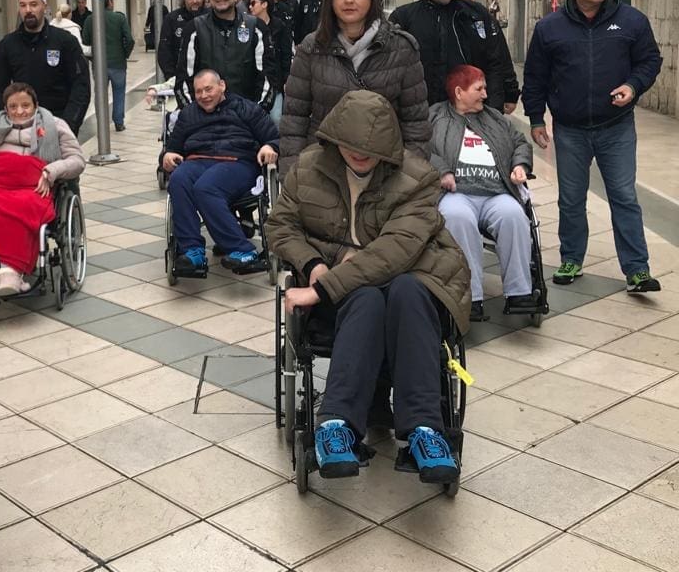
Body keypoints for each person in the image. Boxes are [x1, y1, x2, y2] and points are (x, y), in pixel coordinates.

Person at [266, 91, 469, 484]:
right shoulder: (308, 168)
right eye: (352, 144)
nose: (360, 153)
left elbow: (396, 250)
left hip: (413, 276)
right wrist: (314, 264)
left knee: (406, 291)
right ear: (335, 136)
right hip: (349, 293)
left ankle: (425, 430)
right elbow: (280, 225)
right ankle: (336, 425)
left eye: (371, 147)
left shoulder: (418, 178)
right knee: (366, 298)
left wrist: (322, 288)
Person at [523, 0, 663, 293]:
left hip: (617, 127)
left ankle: (637, 270)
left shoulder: (631, 20)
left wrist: (633, 86)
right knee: (571, 199)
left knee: (624, 197)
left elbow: (649, 60)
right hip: (570, 130)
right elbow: (535, 76)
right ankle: (572, 259)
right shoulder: (549, 28)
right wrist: (536, 118)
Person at [279, 0, 430, 175]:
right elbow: (294, 118)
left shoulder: (401, 48)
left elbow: (415, 122)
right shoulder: (312, 48)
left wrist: (410, 176)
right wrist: (293, 174)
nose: (349, 0)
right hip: (323, 167)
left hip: (385, 168)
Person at [430, 65, 539, 321]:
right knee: (457, 218)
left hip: (497, 193)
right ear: (459, 92)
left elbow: (520, 143)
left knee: (514, 215)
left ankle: (519, 292)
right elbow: (419, 147)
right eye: (479, 89)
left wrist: (520, 165)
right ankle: (471, 297)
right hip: (456, 193)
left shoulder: (495, 118)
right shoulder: (434, 116)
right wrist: (442, 170)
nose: (485, 95)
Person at [0, 83, 85, 296]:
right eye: (13, 106)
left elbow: (77, 160)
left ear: (35, 105)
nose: (19, 111)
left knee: (24, 207)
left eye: (25, 105)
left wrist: (52, 170)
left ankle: (10, 270)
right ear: (5, 108)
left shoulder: (55, 125)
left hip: (32, 183)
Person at [163, 69, 279, 276]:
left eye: (208, 89)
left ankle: (243, 250)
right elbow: (172, 147)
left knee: (205, 187)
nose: (203, 96)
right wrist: (167, 155)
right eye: (198, 91)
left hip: (237, 162)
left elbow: (274, 138)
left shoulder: (245, 108)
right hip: (197, 160)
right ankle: (192, 251)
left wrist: (269, 146)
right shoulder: (188, 114)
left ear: (222, 86)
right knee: (178, 179)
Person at [390, 0, 519, 115]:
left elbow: (496, 58)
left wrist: (499, 103)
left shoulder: (476, 14)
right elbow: (392, 69)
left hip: (475, 110)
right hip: (424, 112)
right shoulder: (404, 17)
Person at [0, 0, 92, 135]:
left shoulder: (65, 42)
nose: (28, 10)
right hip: (20, 129)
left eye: (33, 4)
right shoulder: (7, 45)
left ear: (44, 6)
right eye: (23, 5)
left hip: (58, 125)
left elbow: (80, 86)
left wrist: (68, 125)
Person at [177, 0, 278, 110]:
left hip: (246, 114)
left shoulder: (255, 27)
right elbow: (184, 77)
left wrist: (258, 112)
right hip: (205, 115)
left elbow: (268, 75)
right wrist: (193, 113)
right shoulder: (195, 28)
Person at [455, 0, 516, 115]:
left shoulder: (487, 19)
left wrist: (511, 93)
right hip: (457, 102)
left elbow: (502, 58)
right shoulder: (447, 21)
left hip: (489, 99)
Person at [82, 0, 135, 132]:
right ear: (110, 2)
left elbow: (85, 41)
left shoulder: (90, 20)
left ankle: (102, 123)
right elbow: (129, 39)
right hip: (118, 63)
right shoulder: (119, 18)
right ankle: (119, 122)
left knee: (100, 94)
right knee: (119, 92)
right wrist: (125, 54)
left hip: (99, 64)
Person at [248, 0, 293, 124]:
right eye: (249, 4)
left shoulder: (280, 26)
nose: (250, 7)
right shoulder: (247, 26)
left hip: (275, 79)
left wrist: (286, 77)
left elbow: (286, 53)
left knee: (276, 118)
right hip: (253, 79)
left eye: (253, 3)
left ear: (264, 4)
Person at [157, 0, 207, 81]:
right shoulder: (172, 19)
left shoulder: (210, 16)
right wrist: (170, 75)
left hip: (206, 76)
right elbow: (164, 49)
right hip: (179, 76)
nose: (195, 1)